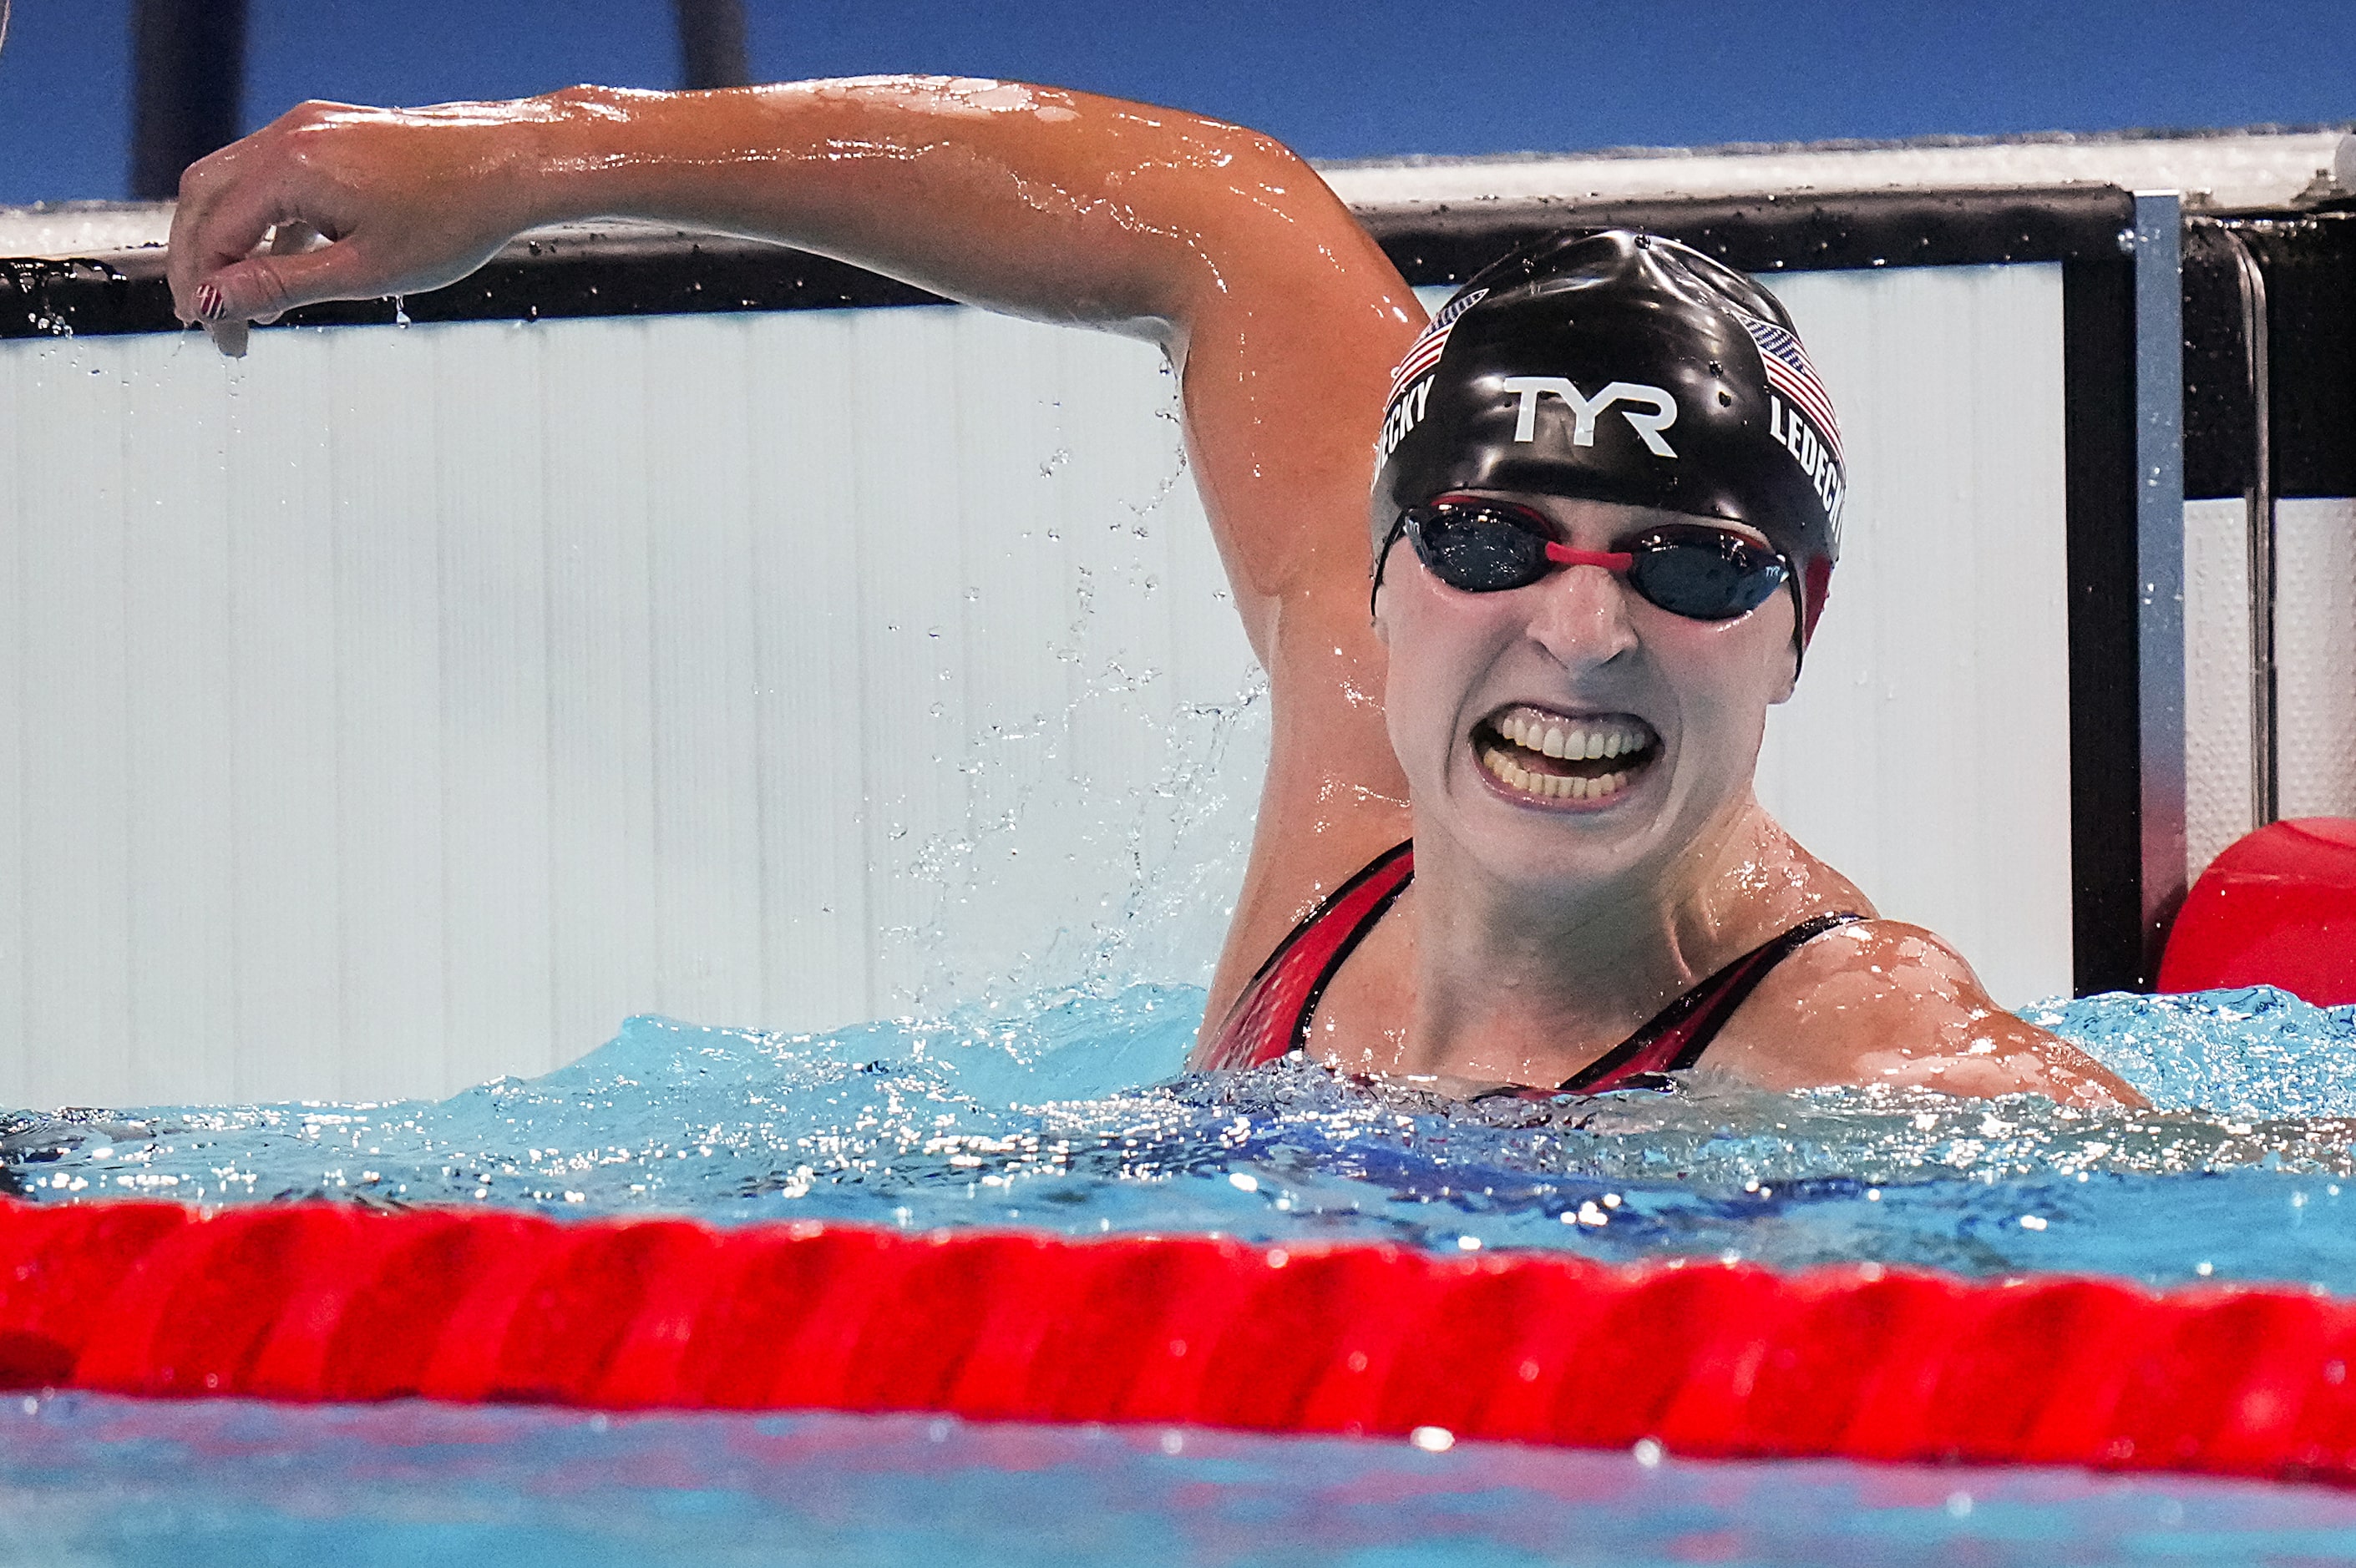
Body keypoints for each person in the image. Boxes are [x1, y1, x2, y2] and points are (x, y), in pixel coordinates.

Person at [166, 77, 2136, 1106]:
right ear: (1382, 574)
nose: (1580, 632)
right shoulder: (1362, 776)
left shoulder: (1870, 1059)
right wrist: (539, 156)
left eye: (1689, 564)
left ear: (1802, 628)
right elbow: (1208, 216)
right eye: (1486, 541)